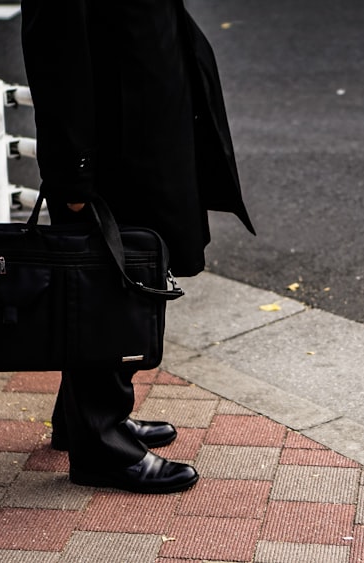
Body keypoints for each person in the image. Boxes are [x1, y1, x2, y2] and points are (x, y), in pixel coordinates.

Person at [20, 0, 254, 494]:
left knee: (114, 280)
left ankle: (82, 420)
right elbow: (54, 48)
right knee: (104, 284)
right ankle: (102, 446)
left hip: (138, 133)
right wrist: (72, 175)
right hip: (110, 148)